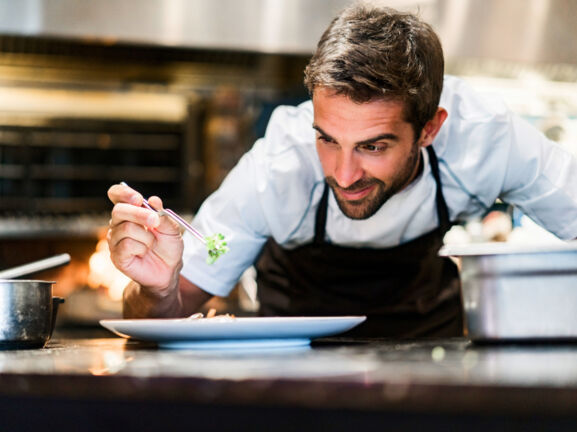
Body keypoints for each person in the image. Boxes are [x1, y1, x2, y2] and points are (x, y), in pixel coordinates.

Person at [107, 3, 577, 337]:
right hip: (294, 379)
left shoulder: (487, 138)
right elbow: (158, 316)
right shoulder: (276, 166)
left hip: (433, 361)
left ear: (430, 129)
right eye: (327, 139)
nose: (345, 173)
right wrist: (156, 286)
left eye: (373, 146)